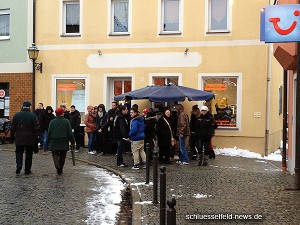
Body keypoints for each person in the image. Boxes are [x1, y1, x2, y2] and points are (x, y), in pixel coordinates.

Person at [11, 101, 40, 175]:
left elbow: (13, 127)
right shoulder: (33, 116)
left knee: (19, 152)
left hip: (19, 138)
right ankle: (27, 170)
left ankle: (19, 164)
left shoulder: (16, 115)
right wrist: (36, 138)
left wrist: (12, 137)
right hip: (30, 139)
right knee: (29, 154)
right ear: (29, 107)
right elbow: (36, 128)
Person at [47, 108, 75, 175]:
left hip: (54, 140)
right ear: (62, 113)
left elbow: (49, 132)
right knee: (63, 155)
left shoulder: (52, 122)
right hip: (63, 140)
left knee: (55, 154)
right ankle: (60, 168)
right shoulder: (66, 121)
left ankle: (57, 165)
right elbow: (69, 133)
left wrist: (48, 141)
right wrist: (72, 141)